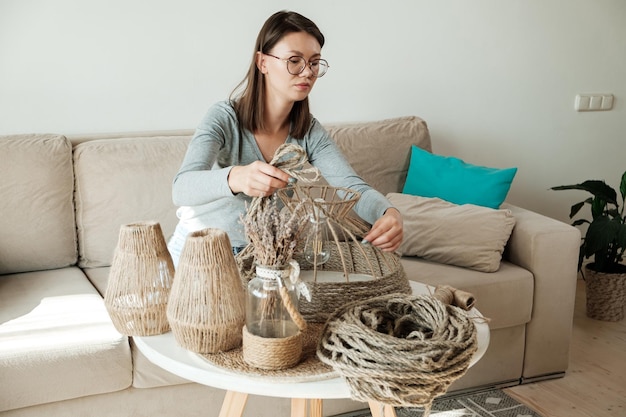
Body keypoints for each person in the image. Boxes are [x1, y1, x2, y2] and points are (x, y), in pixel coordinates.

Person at [167, 10, 402, 266]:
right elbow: (182, 188)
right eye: (294, 60)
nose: (307, 72)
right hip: (201, 251)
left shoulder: (309, 132)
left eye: (314, 62)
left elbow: (352, 189)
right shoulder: (224, 117)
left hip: (265, 257)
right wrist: (237, 177)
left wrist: (387, 212)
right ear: (263, 63)